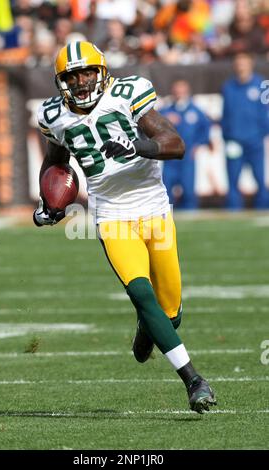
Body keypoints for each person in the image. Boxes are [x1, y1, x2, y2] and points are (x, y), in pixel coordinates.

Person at [33, 41, 216, 413]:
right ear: (60, 81)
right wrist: (49, 202)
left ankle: (148, 327)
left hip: (154, 211)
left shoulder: (127, 94)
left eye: (87, 73)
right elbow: (56, 163)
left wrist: (139, 146)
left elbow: (175, 143)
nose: (82, 82)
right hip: (112, 215)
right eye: (73, 75)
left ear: (102, 73)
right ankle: (194, 380)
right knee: (141, 294)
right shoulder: (55, 115)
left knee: (170, 313)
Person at [221, 52, 269, 209]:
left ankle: (263, 209)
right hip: (234, 141)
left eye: (244, 62)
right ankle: (233, 211)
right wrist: (227, 135)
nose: (240, 65)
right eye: (238, 62)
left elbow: (266, 113)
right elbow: (225, 114)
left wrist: (261, 134)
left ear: (251, 64)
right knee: (233, 180)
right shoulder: (227, 87)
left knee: (259, 178)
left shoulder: (263, 85)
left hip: (255, 142)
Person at [159, 79, 212, 209]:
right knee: (166, 191)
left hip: (187, 157)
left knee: (188, 190)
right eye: (177, 90)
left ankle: (191, 215)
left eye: (182, 90)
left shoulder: (195, 110)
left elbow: (205, 129)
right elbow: (153, 128)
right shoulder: (165, 110)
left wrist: (198, 145)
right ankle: (167, 219)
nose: (179, 93)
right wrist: (166, 121)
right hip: (170, 157)